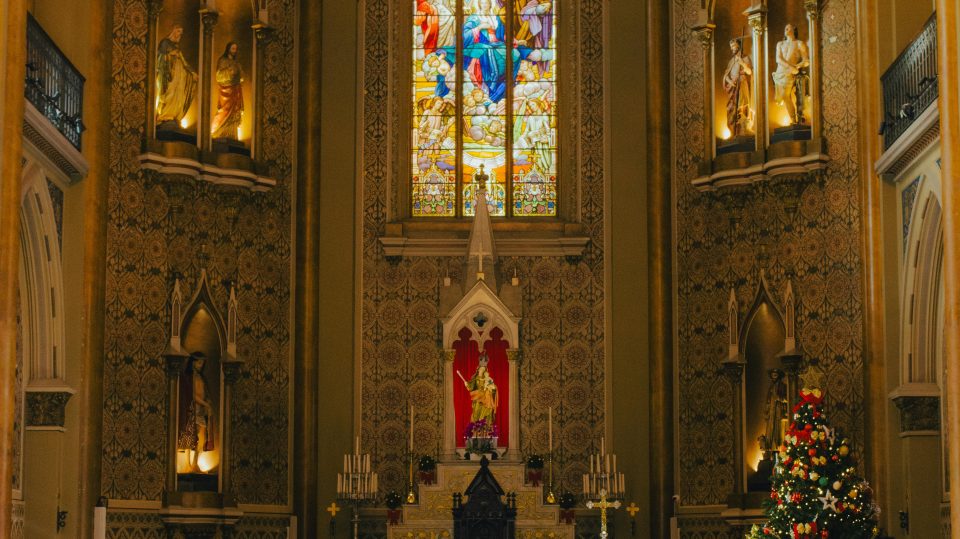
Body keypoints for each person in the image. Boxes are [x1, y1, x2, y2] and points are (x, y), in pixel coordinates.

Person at [178, 352, 215, 471]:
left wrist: (208, 403)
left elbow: (205, 393)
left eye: (202, 363)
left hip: (201, 410)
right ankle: (189, 464)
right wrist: (205, 403)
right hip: (193, 409)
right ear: (193, 363)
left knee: (202, 437)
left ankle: (195, 462)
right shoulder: (190, 377)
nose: (201, 365)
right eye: (199, 362)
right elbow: (192, 394)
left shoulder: (200, 377)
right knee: (192, 436)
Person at [156, 25, 197, 125]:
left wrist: (192, 72)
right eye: (178, 31)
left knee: (178, 92)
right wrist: (170, 54)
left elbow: (184, 62)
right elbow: (159, 57)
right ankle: (165, 114)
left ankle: (172, 114)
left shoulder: (177, 47)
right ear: (173, 31)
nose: (180, 34)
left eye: (181, 33)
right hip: (168, 73)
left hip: (179, 74)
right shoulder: (165, 42)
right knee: (169, 91)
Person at [772, 23, 810, 125]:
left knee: (785, 95)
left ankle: (794, 119)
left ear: (794, 29)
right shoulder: (780, 44)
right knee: (782, 97)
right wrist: (790, 67)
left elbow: (806, 60)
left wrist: (797, 67)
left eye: (788, 27)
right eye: (785, 28)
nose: (786, 29)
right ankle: (793, 119)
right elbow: (778, 58)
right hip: (780, 72)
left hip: (791, 74)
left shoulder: (799, 43)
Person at [211, 42, 244, 140]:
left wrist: (241, 76)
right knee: (224, 110)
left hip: (236, 89)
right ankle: (218, 131)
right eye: (233, 48)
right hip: (226, 90)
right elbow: (219, 76)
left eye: (235, 49)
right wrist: (230, 71)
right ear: (228, 49)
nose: (234, 51)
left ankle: (231, 134)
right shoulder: (222, 60)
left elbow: (241, 76)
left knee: (234, 112)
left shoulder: (237, 63)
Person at [722, 38, 753, 137]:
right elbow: (725, 76)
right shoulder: (731, 61)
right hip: (733, 88)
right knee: (731, 109)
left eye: (733, 46)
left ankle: (744, 127)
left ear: (738, 46)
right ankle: (734, 130)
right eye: (731, 47)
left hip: (742, 84)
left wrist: (742, 63)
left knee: (742, 105)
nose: (732, 49)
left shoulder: (745, 58)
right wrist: (730, 82)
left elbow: (749, 72)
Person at [464, 354, 498, 424]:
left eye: (483, 369)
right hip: (478, 399)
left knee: (487, 414)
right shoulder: (475, 378)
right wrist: (467, 384)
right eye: (481, 368)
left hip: (486, 399)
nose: (482, 370)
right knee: (476, 414)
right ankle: (476, 429)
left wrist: (492, 388)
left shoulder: (488, 379)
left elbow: (493, 389)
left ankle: (486, 430)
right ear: (478, 369)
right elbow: (471, 388)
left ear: (486, 370)